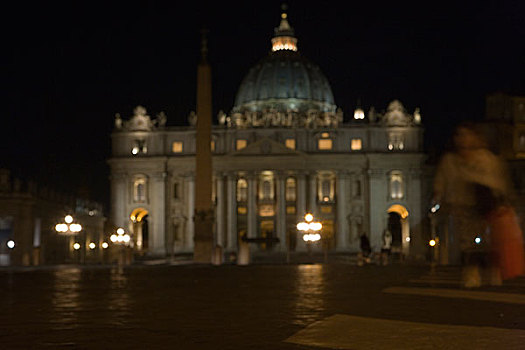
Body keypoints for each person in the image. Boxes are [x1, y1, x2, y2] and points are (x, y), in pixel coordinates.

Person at [433, 122, 511, 287]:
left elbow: (498, 181)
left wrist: (501, 200)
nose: (462, 139)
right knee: (467, 242)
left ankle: (492, 271)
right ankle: (472, 272)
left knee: (488, 240)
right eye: (459, 135)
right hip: (462, 206)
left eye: (466, 134)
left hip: (485, 205)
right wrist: (438, 196)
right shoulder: (450, 160)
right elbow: (441, 181)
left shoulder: (485, 158)